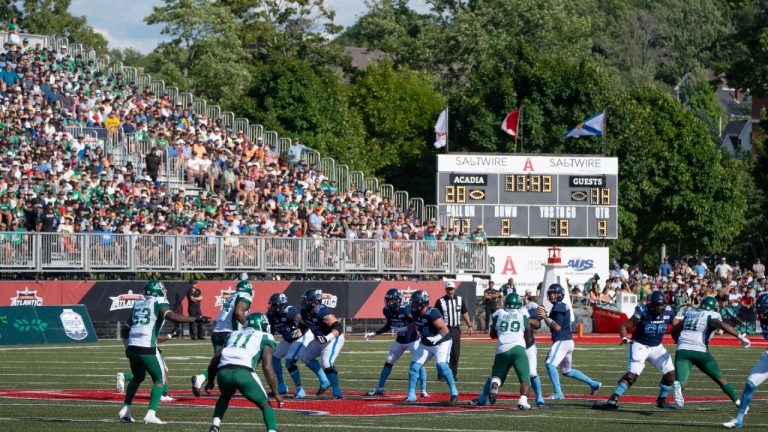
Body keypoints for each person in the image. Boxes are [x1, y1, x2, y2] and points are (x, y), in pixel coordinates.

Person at [118, 280, 208, 424]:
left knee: (137, 378)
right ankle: (150, 414)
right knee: (160, 380)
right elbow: (172, 316)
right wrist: (195, 319)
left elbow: (125, 330)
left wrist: (130, 345)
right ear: (157, 291)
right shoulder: (158, 301)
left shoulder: (138, 304)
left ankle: (126, 408)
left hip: (132, 347)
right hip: (147, 347)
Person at [597, 290, 676, 410]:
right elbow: (624, 325)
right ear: (651, 304)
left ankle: (661, 400)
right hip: (640, 345)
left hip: (656, 347)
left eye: (662, 305)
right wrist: (624, 337)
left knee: (670, 374)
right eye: (657, 305)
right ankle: (613, 399)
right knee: (632, 376)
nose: (660, 307)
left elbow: (677, 326)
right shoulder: (642, 311)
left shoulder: (669, 312)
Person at [204, 313, 283, 432]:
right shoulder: (266, 337)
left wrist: (210, 380)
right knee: (265, 405)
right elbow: (267, 367)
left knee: (225, 396)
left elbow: (215, 359)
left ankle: (215, 426)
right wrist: (276, 392)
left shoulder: (233, 334)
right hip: (244, 373)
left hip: (223, 372)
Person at [670, 296, 751, 408]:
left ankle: (678, 385)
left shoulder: (690, 314)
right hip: (700, 351)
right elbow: (722, 325)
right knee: (720, 379)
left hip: (682, 350)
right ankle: (739, 403)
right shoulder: (712, 315)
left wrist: (677, 340)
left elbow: (674, 330)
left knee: (681, 382)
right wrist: (740, 336)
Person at [471, 293, 539, 410]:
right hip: (518, 348)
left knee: (496, 376)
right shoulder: (522, 313)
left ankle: (495, 384)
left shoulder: (499, 313)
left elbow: (492, 334)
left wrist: (503, 333)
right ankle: (523, 400)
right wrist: (526, 345)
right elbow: (527, 331)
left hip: (502, 349)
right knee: (525, 378)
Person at [538, 283, 601, 399]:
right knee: (566, 371)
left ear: (559, 295)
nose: (551, 295)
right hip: (567, 341)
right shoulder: (561, 305)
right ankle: (593, 383)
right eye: (550, 293)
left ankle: (558, 392)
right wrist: (546, 316)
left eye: (553, 293)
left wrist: (545, 316)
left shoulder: (559, 306)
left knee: (550, 364)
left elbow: (557, 327)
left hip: (562, 341)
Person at [364, 288, 429, 398]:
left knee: (419, 363)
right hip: (400, 340)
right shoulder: (386, 310)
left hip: (412, 340)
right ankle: (380, 388)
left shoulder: (405, 309)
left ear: (398, 300)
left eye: (392, 300)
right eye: (388, 300)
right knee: (389, 361)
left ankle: (423, 390)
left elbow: (416, 321)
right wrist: (375, 333)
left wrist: (405, 328)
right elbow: (389, 325)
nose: (389, 302)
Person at [192, 280, 253, 396]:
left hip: (217, 332)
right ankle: (236, 385)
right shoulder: (245, 295)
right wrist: (247, 327)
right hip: (229, 332)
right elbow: (238, 312)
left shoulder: (233, 296)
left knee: (219, 362)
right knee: (237, 360)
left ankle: (206, 380)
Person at [266, 293, 329, 398]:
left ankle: (300, 390)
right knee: (274, 358)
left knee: (289, 361)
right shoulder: (271, 315)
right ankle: (282, 386)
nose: (271, 307)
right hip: (288, 338)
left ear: (281, 305)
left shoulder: (289, 311)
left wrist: (300, 328)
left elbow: (301, 319)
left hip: (301, 336)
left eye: (274, 305)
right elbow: (271, 329)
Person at [723, 294, 768, 429]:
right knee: (750, 383)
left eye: (763, 309)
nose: (760, 312)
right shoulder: (763, 317)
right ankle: (739, 419)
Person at [405, 290, 458, 403]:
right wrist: (404, 329)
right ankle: (411, 395)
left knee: (442, 366)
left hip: (441, 342)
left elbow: (444, 329)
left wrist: (437, 338)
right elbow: (416, 322)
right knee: (414, 368)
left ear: (422, 303)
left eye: (415, 302)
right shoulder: (414, 313)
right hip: (425, 343)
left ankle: (454, 392)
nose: (413, 305)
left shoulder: (432, 312)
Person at [298, 288, 345, 399]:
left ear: (315, 302)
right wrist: (297, 332)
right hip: (319, 339)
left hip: (333, 338)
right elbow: (304, 325)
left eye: (307, 300)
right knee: (304, 355)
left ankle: (337, 392)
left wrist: (327, 337)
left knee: (326, 363)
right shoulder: (304, 312)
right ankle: (325, 381)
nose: (305, 302)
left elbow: (338, 327)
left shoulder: (322, 311)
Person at [116, 324, 180, 402]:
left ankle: (125, 377)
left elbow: (125, 331)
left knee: (139, 376)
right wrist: (172, 335)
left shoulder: (134, 321)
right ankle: (162, 394)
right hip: (144, 348)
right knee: (163, 371)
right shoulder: (142, 321)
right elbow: (154, 339)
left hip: (131, 348)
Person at [434, 281, 473, 380]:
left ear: (454, 289)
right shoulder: (440, 301)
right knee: (443, 353)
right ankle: (441, 375)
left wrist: (469, 325)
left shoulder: (460, 300)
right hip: (444, 330)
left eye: (451, 289)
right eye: (448, 289)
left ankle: (453, 375)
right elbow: (435, 316)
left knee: (455, 353)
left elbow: (464, 312)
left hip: (456, 330)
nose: (450, 291)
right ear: (445, 290)